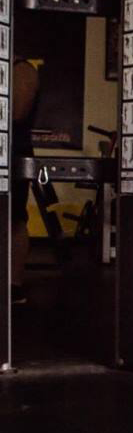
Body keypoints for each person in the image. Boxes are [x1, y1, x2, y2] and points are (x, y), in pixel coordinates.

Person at [11, 58, 39, 304]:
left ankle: (14, 286)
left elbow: (18, 112)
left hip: (14, 154)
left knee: (14, 219)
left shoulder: (23, 70)